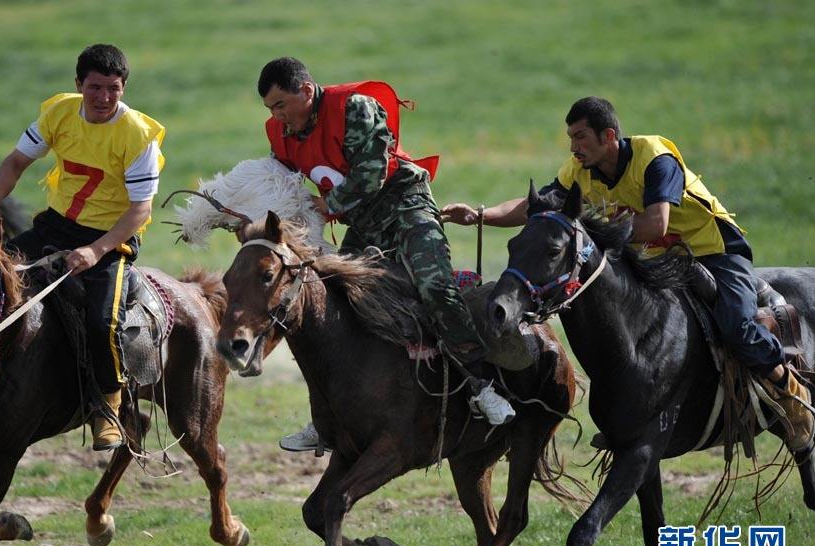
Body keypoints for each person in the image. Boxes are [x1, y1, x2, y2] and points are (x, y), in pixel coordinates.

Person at [442, 96, 813, 455]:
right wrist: (482, 215)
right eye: (570, 138)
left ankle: (793, 392)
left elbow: (655, 224)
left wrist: (591, 237)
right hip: (658, 260)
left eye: (580, 137)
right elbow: (536, 206)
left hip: (712, 251)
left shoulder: (655, 158)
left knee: (737, 325)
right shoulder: (580, 172)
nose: (573, 147)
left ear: (608, 136)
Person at [257, 57, 516, 452]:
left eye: (280, 106)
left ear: (306, 91)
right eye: (270, 110)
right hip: (363, 223)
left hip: (406, 206)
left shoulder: (356, 108)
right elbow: (280, 183)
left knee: (434, 285)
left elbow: (370, 174)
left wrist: (324, 206)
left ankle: (482, 386)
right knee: (332, 305)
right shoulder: (281, 134)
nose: (277, 117)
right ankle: (324, 419)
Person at [0, 43, 166, 451]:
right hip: (55, 227)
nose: (104, 98)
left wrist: (97, 251)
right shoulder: (59, 112)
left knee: (102, 321)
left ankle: (109, 408)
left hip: (111, 239)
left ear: (124, 88)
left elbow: (139, 210)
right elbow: (14, 163)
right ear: (78, 84)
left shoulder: (139, 136)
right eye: (95, 88)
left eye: (113, 89)